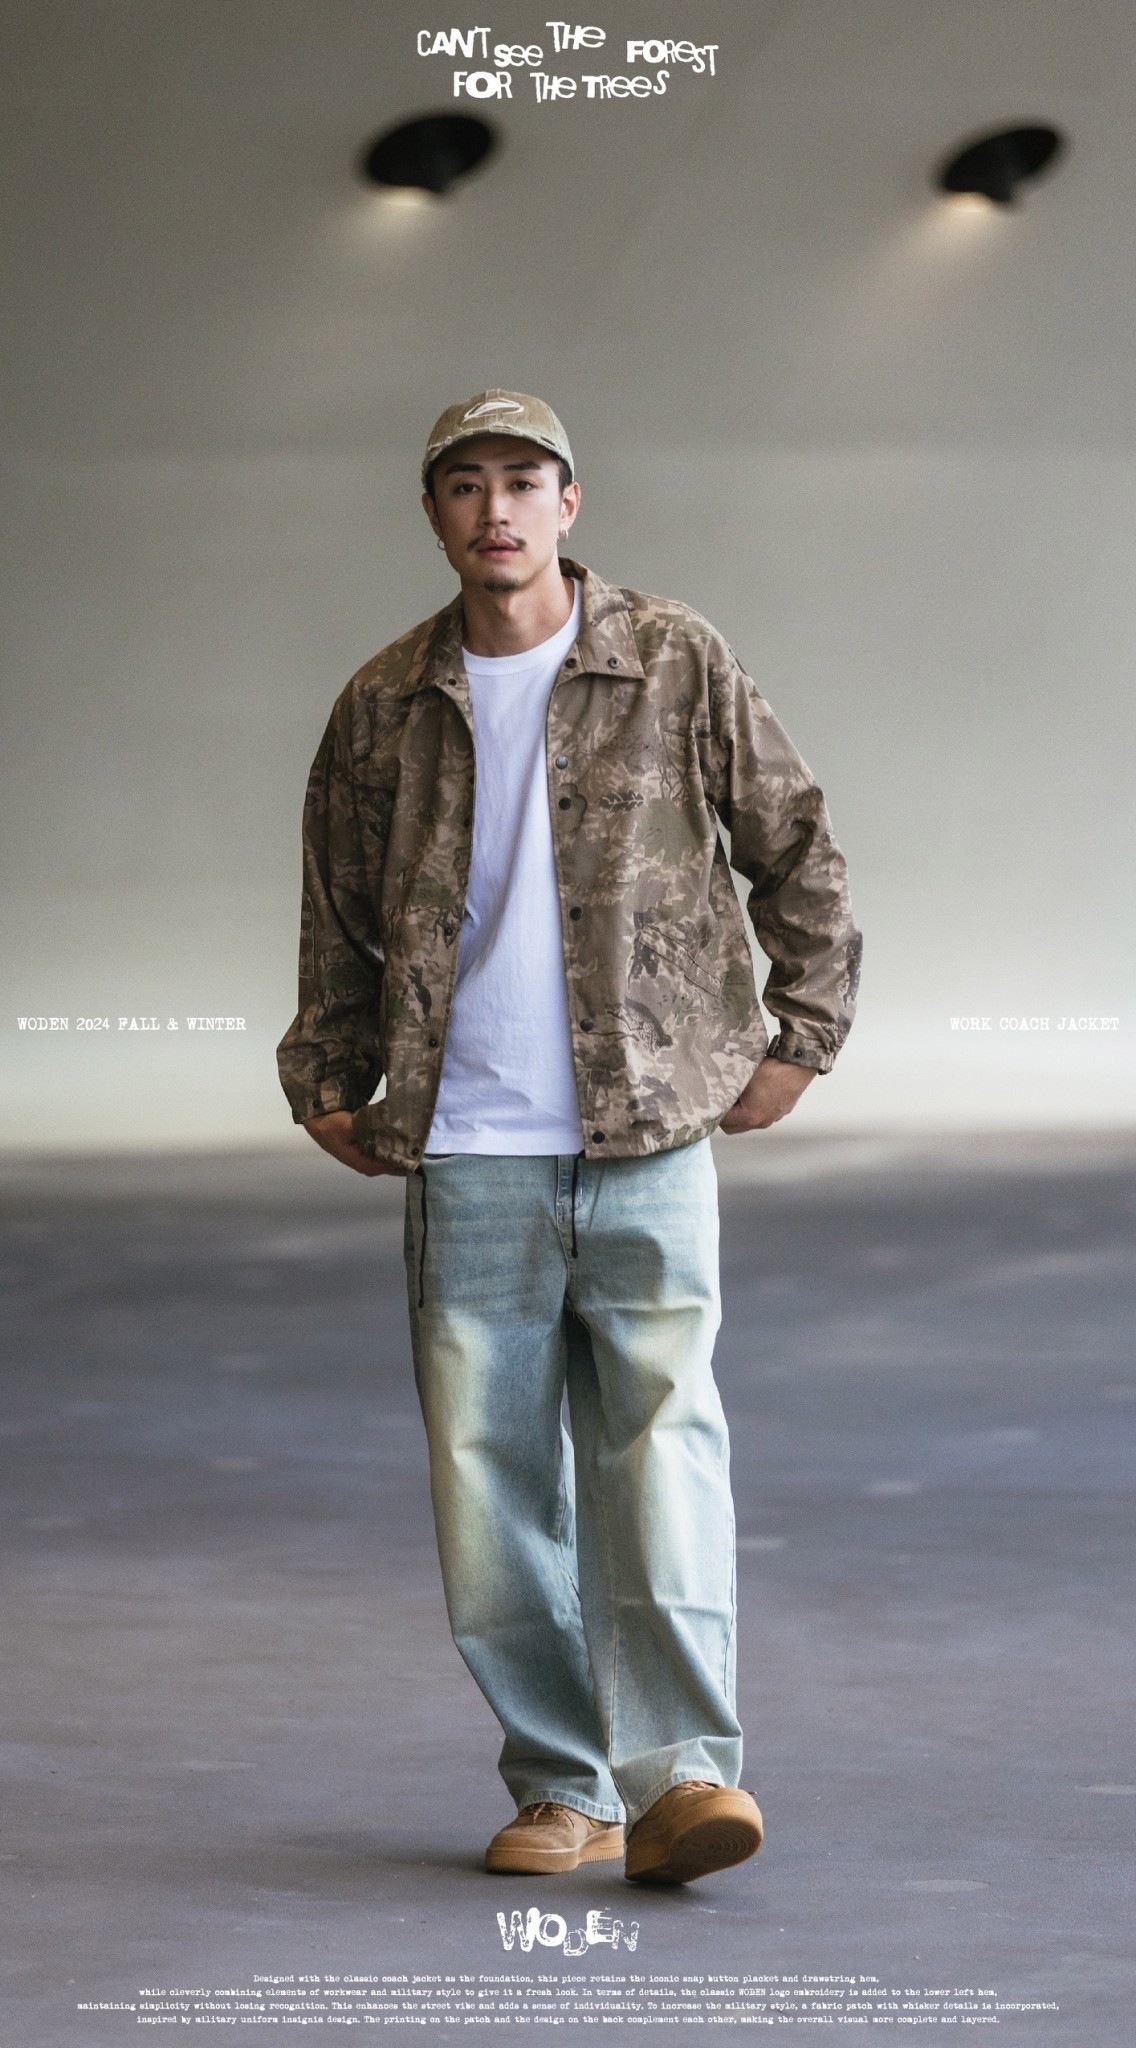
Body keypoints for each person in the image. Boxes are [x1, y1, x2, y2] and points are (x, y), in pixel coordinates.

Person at [277, 390, 861, 1885]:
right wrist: (328, 1066)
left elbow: (793, 840)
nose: (498, 510)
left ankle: (684, 1779)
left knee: (664, 1454)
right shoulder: (384, 701)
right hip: (468, 1140)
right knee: (490, 1486)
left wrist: (801, 1033)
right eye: (466, 485)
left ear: (570, 502)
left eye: (524, 481)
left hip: (647, 1126)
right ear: (434, 514)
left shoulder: (671, 656)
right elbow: (337, 908)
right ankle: (563, 1786)